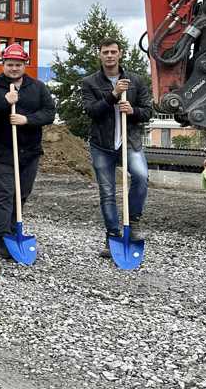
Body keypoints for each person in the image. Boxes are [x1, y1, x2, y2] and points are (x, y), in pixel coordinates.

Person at [0, 43, 56, 259]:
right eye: (10, 64)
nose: (14, 68)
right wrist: (5, 102)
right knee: (4, 193)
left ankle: (13, 230)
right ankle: (2, 238)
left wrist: (27, 120)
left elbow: (49, 113)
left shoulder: (37, 87)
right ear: (4, 64)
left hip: (29, 152)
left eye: (18, 64)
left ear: (25, 64)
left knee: (21, 193)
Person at [80, 38, 153, 258]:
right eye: (106, 52)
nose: (110, 55)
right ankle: (112, 235)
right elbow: (90, 110)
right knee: (107, 191)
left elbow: (148, 111)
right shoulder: (90, 82)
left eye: (113, 52)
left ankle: (133, 222)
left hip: (129, 141)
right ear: (100, 55)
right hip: (102, 144)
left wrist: (133, 111)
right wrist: (112, 95)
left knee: (141, 177)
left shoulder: (136, 81)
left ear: (120, 54)